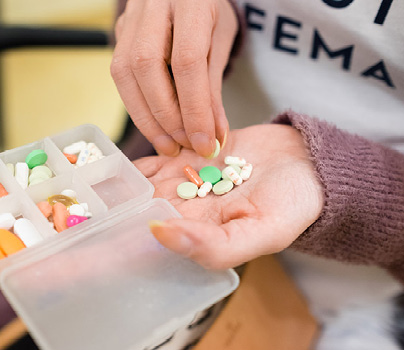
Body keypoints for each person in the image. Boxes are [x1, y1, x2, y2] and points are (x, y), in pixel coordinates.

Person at [111, 0, 404, 348]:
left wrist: (335, 175)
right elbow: (142, 34)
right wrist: (175, 29)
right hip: (173, 197)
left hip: (367, 298)